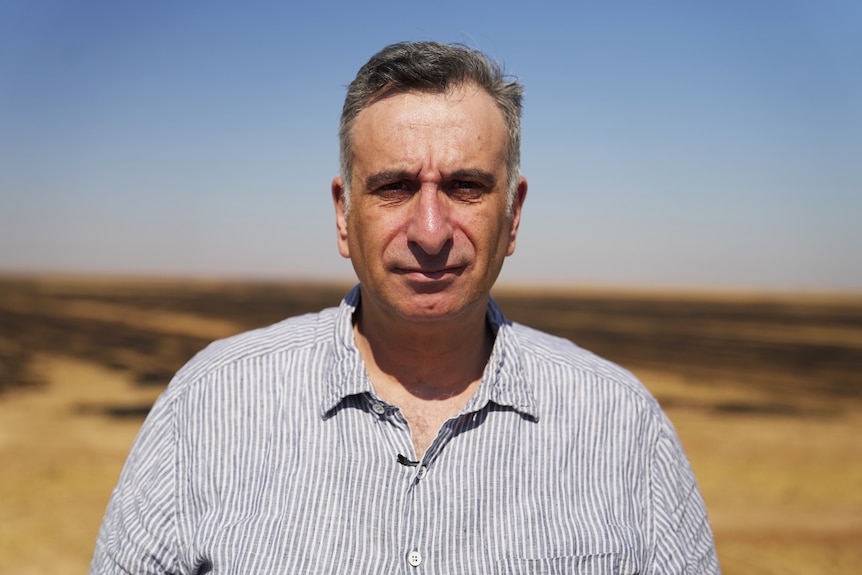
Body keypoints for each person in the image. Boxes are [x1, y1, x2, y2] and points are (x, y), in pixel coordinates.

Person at [90, 41, 719, 574]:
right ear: (343, 215)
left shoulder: (621, 425)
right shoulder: (209, 403)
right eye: (393, 188)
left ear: (514, 214)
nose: (429, 230)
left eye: (465, 187)